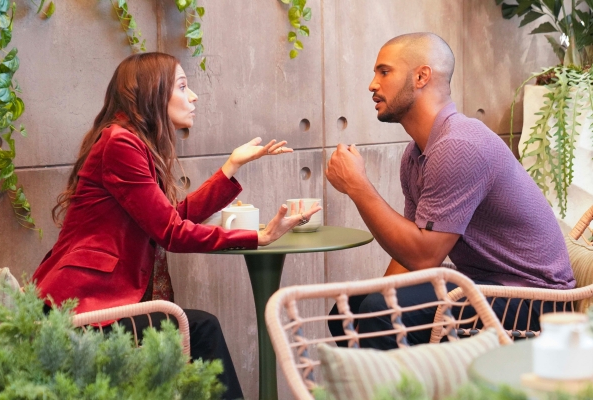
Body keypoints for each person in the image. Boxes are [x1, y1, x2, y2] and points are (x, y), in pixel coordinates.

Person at [31, 52, 321, 399]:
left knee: (198, 329)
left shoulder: (127, 141)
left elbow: (171, 218)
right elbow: (171, 232)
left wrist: (231, 166)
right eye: (182, 86)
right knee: (201, 328)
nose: (193, 96)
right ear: (152, 92)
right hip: (81, 308)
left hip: (97, 304)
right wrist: (259, 236)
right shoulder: (121, 143)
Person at [325, 33, 575, 349]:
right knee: (350, 310)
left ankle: (400, 378)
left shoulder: (459, 145)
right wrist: (376, 299)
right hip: (485, 287)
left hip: (535, 302)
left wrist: (357, 186)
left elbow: (424, 256)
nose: (372, 85)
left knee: (381, 312)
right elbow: (410, 252)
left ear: (421, 77)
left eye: (384, 72)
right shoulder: (417, 153)